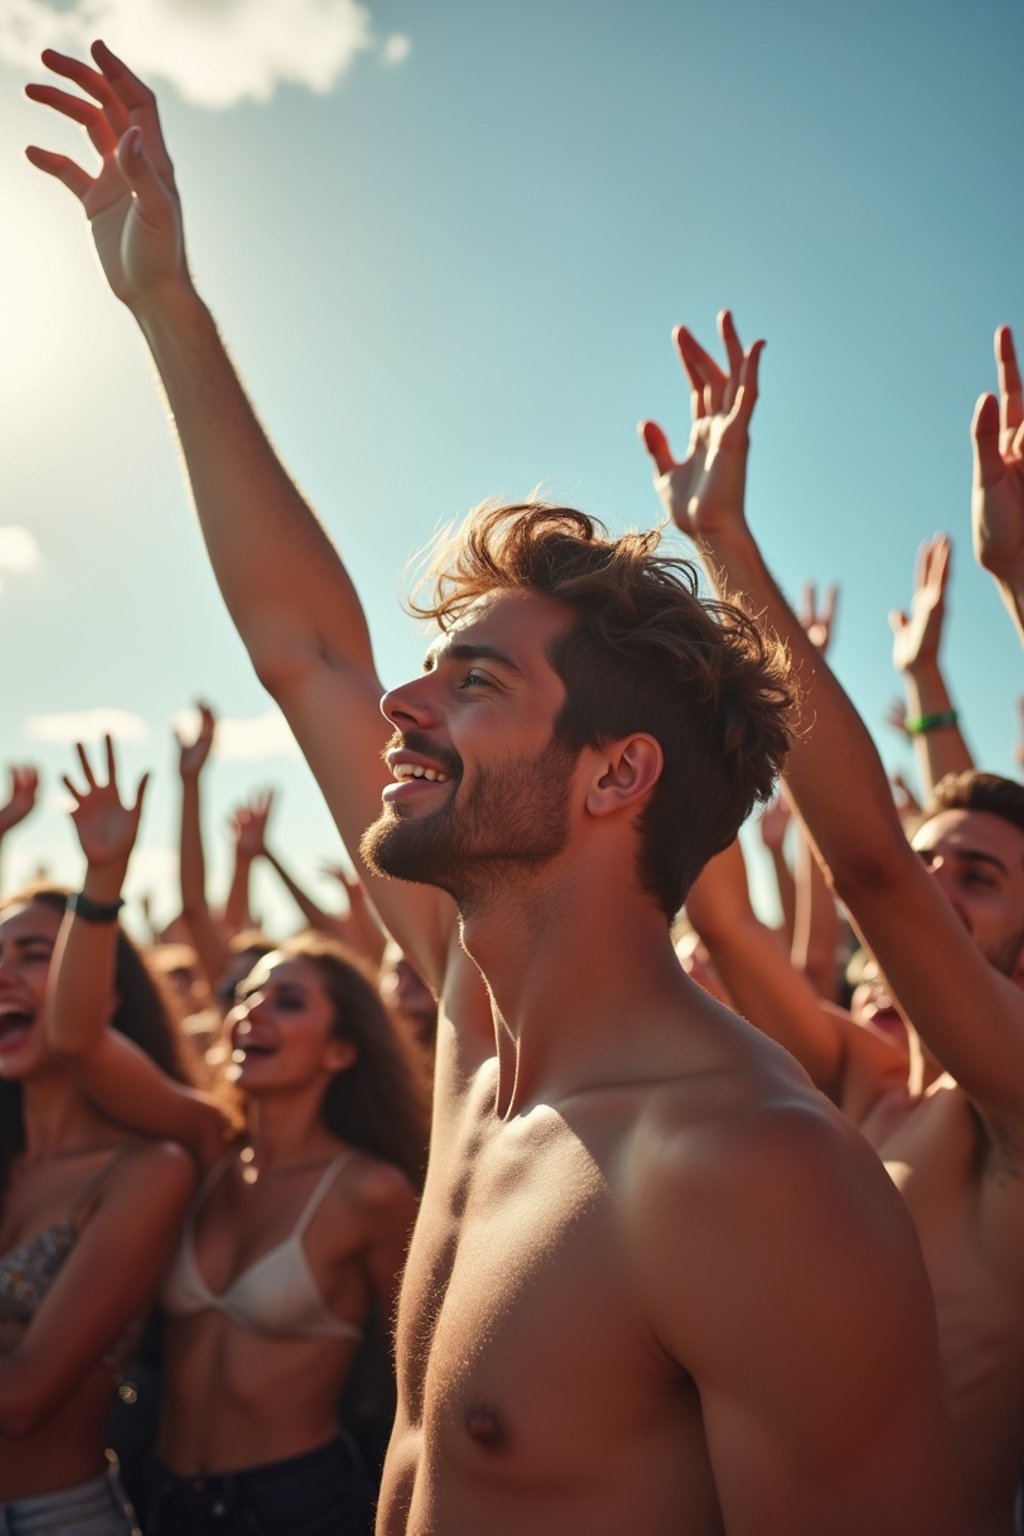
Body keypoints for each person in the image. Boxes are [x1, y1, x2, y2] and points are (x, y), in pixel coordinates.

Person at [28, 47, 964, 1533]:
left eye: (475, 682)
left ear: (616, 776)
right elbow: (308, 650)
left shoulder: (754, 1173)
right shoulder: (474, 1021)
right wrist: (165, 307)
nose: (403, 700)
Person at [641, 306, 1024, 1535]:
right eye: (935, 857)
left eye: (979, 877)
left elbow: (867, 866)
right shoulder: (857, 1077)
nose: (935, 881)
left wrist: (1016, 584)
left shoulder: (1009, 1115)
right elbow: (735, 926)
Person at [47, 738, 426, 1535]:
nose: (251, 1011)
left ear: (342, 1048)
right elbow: (77, 1037)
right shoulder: (210, 1147)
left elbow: (424, 1385)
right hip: (158, 1496)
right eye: (247, 997)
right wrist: (103, 880)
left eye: (287, 1002)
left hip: (295, 1505)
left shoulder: (370, 1191)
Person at [0, 867, 194, 1533]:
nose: (3, 975)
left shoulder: (148, 1171)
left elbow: (24, 1397)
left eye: (35, 957)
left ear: (99, 994)